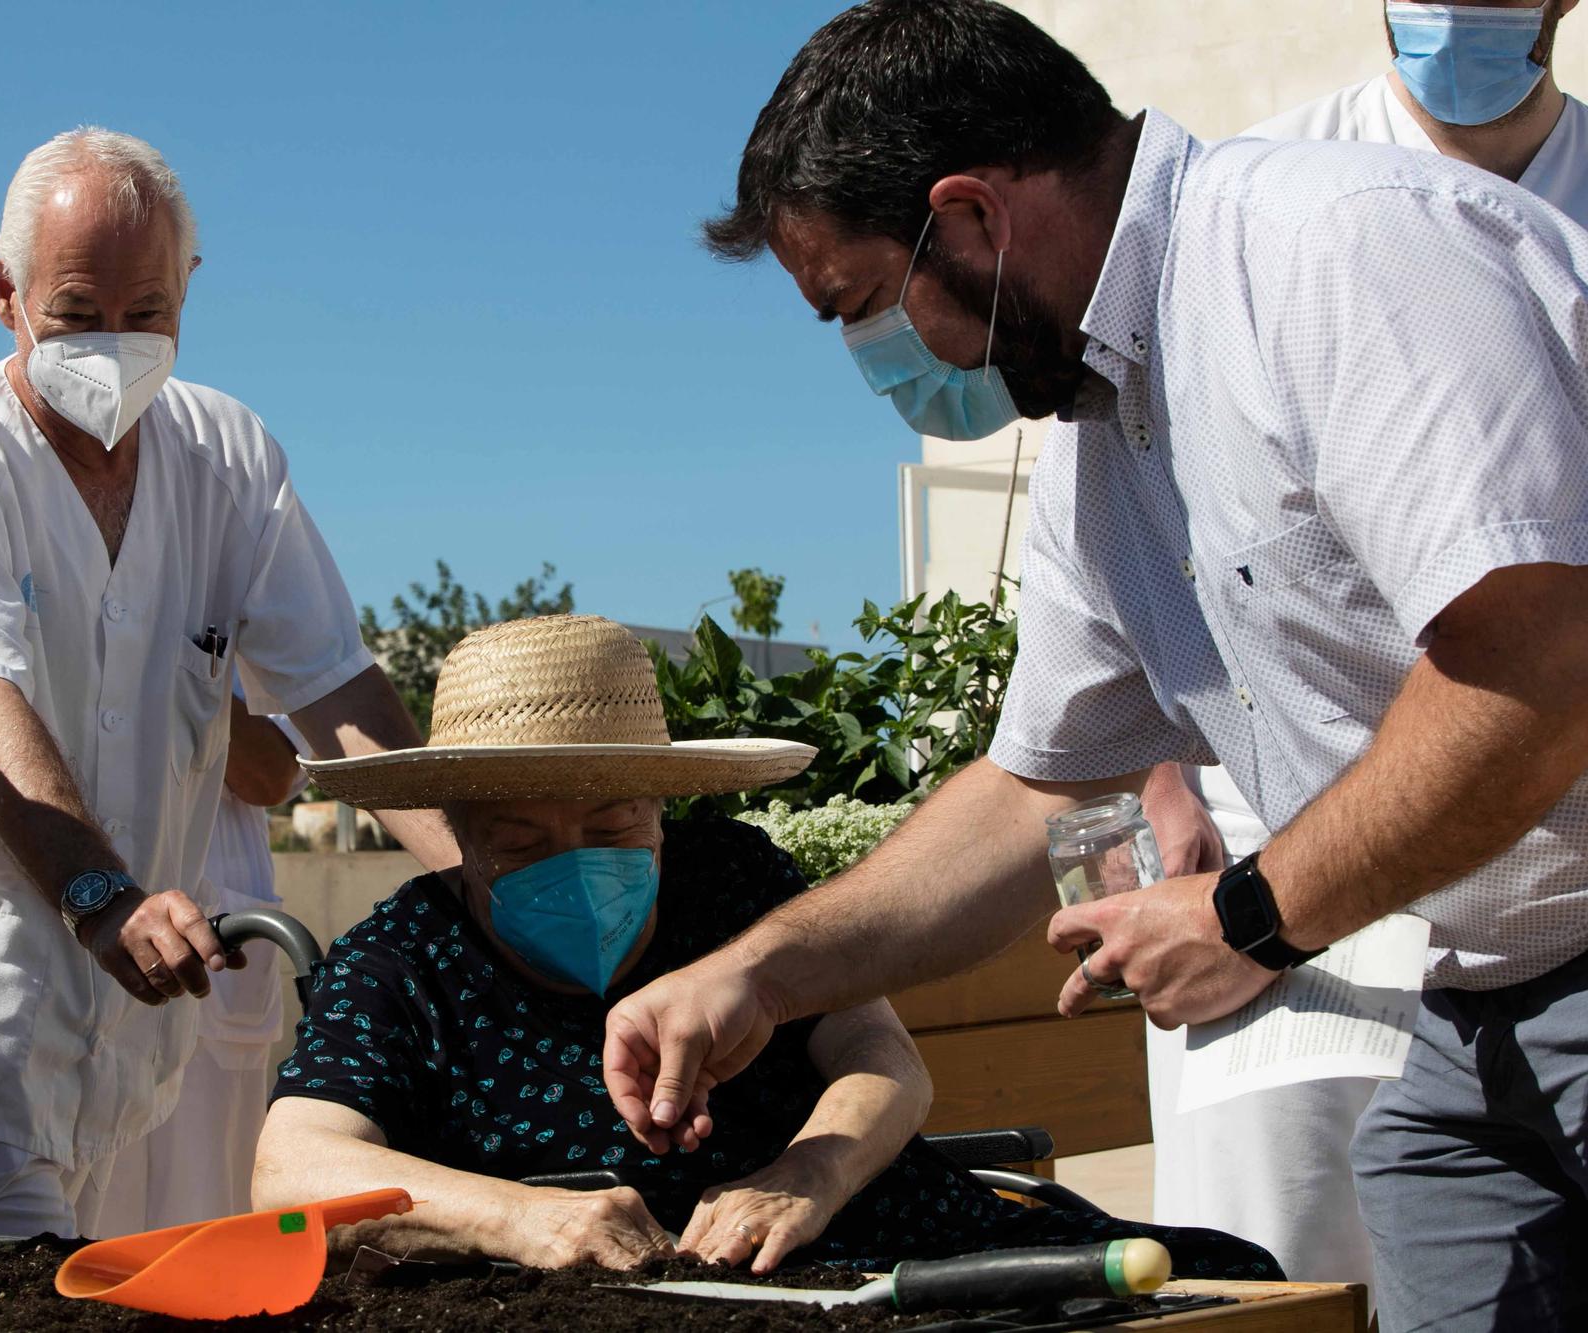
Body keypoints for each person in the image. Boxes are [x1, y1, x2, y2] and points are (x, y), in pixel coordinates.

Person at [598, 4, 1588, 1328]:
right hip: (1489, 999)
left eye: (861, 307)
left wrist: (1249, 912)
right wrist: (762, 974)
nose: (873, 362)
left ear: (971, 220)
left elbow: (1536, 670)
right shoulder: (1103, 434)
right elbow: (1036, 794)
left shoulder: (1332, 253)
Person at [0, 127, 456, 1239]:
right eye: (76, 313)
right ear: (1, 290)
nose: (112, 345)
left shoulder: (230, 457)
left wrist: (485, 881)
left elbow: (333, 689)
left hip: (129, 1037)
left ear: (189, 290)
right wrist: (97, 898)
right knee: (9, 1304)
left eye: (146, 312)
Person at [253, 615, 1277, 1279]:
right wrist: (522, 1222)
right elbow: (289, 1166)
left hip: (880, 1244)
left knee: (1227, 1272)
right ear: (458, 833)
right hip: (638, 1299)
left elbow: (882, 1064)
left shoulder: (730, 881)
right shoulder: (404, 955)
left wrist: (808, 1174)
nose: (572, 860)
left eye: (611, 828)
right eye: (520, 842)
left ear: (663, 806)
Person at [1137, 0, 1587, 1293]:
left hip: (1541, 855)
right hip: (1290, 846)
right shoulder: (1282, 200)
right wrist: (1169, 790)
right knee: (1283, 1240)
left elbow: (1530, 661)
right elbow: (1146, 540)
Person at [106, 679, 309, 1226]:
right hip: (71, 932)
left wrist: (188, 667)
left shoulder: (248, 611)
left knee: (207, 1209)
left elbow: (269, 773)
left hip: (210, 952)